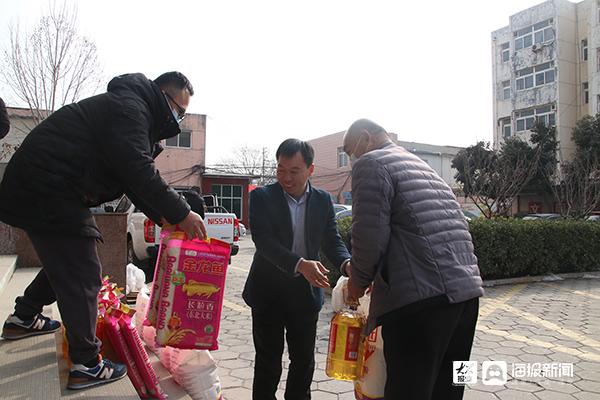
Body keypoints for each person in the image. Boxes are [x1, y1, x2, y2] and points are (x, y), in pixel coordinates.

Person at [0, 72, 206, 390]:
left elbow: (130, 179)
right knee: (83, 270)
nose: (177, 120)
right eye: (179, 110)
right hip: (48, 186)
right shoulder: (130, 109)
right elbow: (137, 169)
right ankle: (86, 364)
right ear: (163, 95)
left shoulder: (134, 113)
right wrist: (182, 212)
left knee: (72, 259)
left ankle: (24, 317)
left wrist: (163, 218)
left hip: (49, 186)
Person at [343, 119, 484, 400]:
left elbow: (369, 235)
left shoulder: (372, 163)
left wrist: (357, 282)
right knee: (448, 391)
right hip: (466, 299)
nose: (351, 159)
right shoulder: (422, 167)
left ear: (366, 138)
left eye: (349, 151)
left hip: (420, 306)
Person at [242, 139, 351, 400]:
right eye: (281, 170)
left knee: (303, 362)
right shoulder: (262, 197)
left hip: (304, 294)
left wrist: (347, 264)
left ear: (310, 170)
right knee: (268, 361)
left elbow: (331, 239)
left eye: (294, 171)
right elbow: (264, 242)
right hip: (267, 292)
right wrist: (300, 264)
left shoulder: (323, 200)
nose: (286, 178)